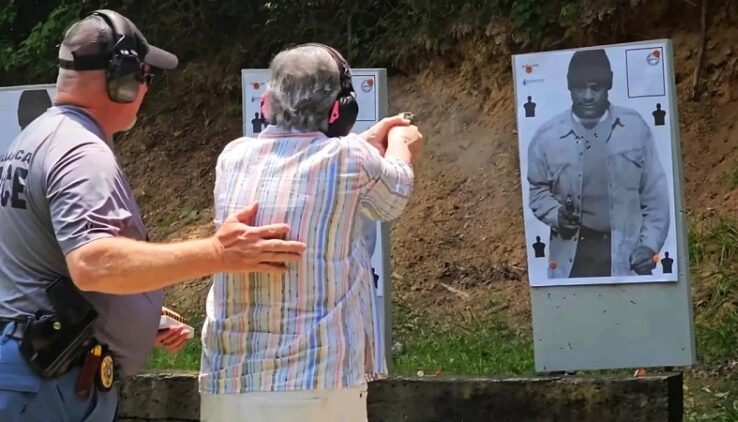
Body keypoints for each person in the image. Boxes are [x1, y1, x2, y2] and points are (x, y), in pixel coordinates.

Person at [0, 10, 305, 422]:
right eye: (145, 75)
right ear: (122, 78)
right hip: (50, 387)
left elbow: (38, 268)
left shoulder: (35, 138)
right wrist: (218, 251)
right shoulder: (81, 153)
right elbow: (93, 263)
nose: (146, 87)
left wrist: (138, 319)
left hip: (32, 370)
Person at [199, 43, 422, 421]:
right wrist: (400, 143)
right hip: (317, 384)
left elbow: (306, 166)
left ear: (266, 104)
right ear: (339, 111)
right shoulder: (350, 158)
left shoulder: (232, 156)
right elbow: (394, 194)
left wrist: (365, 145)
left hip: (227, 385)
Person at [527, 48, 669, 279]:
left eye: (596, 87)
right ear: (570, 88)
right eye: (580, 88)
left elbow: (655, 195)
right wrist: (556, 215)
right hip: (571, 258)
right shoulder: (547, 138)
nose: (588, 96)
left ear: (608, 86)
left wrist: (649, 246)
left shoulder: (635, 128)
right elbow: (538, 190)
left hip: (625, 256)